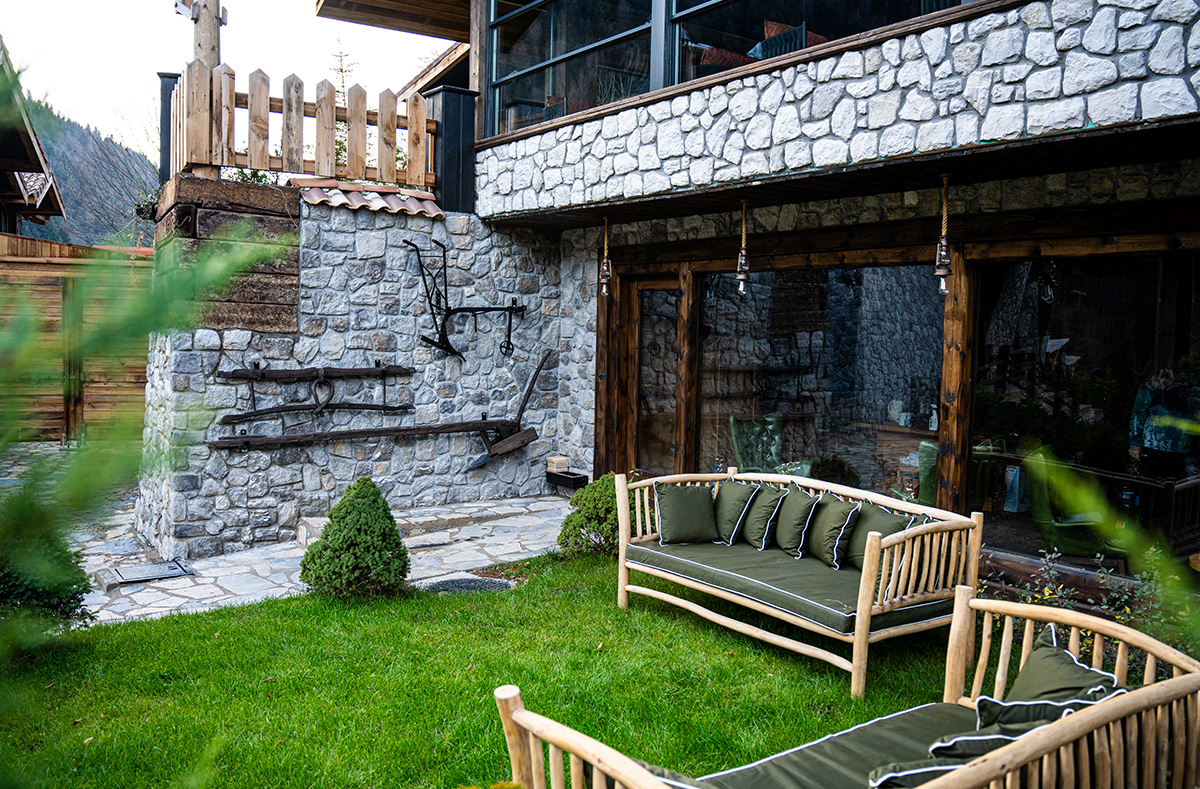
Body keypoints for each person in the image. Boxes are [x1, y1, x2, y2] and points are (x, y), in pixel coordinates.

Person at [1129, 368, 1193, 480]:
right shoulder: (1151, 384)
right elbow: (1138, 413)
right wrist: (1135, 443)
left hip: (1177, 446)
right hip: (1153, 445)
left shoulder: (1183, 385)